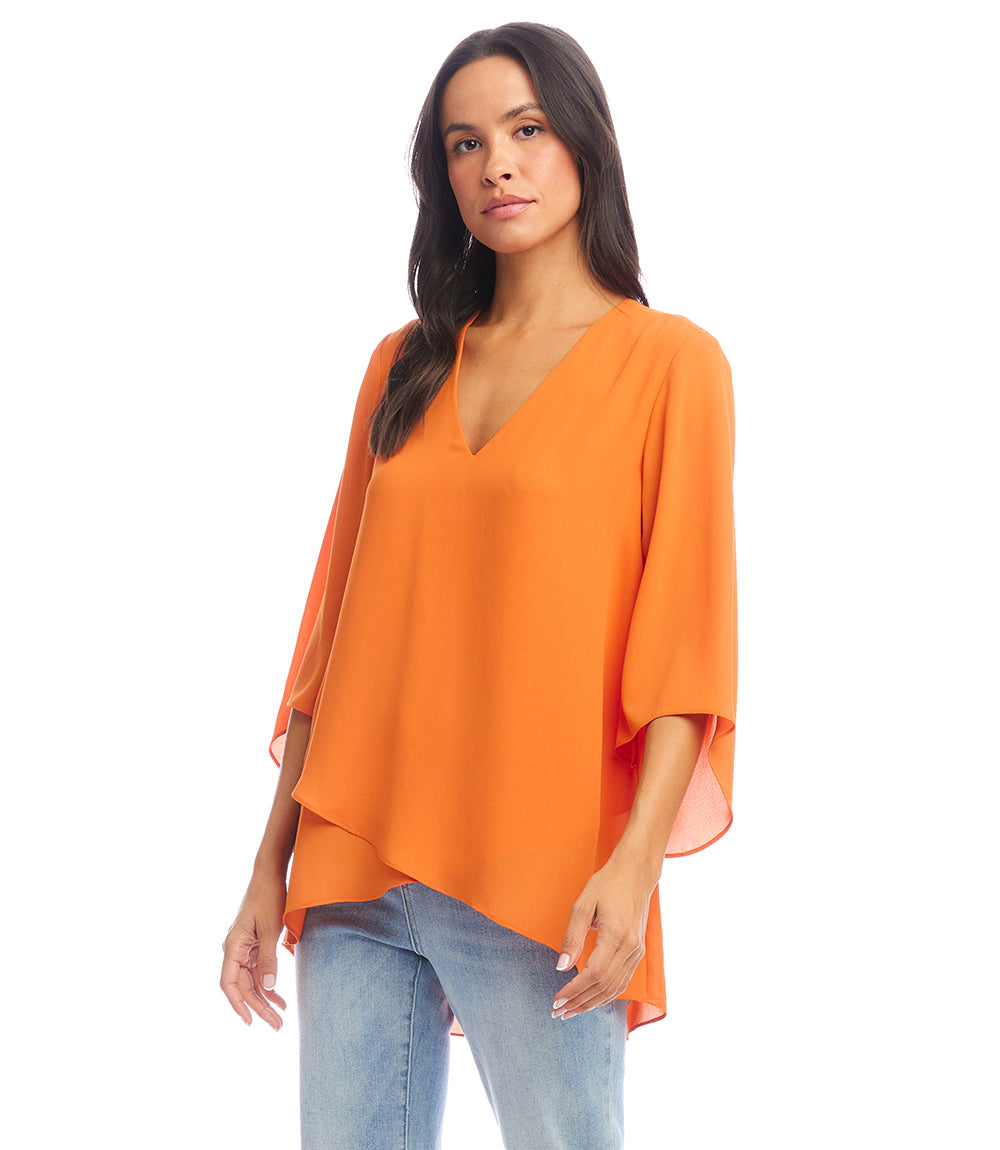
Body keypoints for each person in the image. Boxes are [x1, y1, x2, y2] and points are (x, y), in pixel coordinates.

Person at [221, 21, 737, 1150]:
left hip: (541, 868)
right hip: (354, 859)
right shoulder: (402, 364)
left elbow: (684, 651)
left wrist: (634, 867)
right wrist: (268, 861)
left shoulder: (670, 365)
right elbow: (331, 638)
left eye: (526, 129)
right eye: (465, 144)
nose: (497, 164)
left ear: (585, 143)